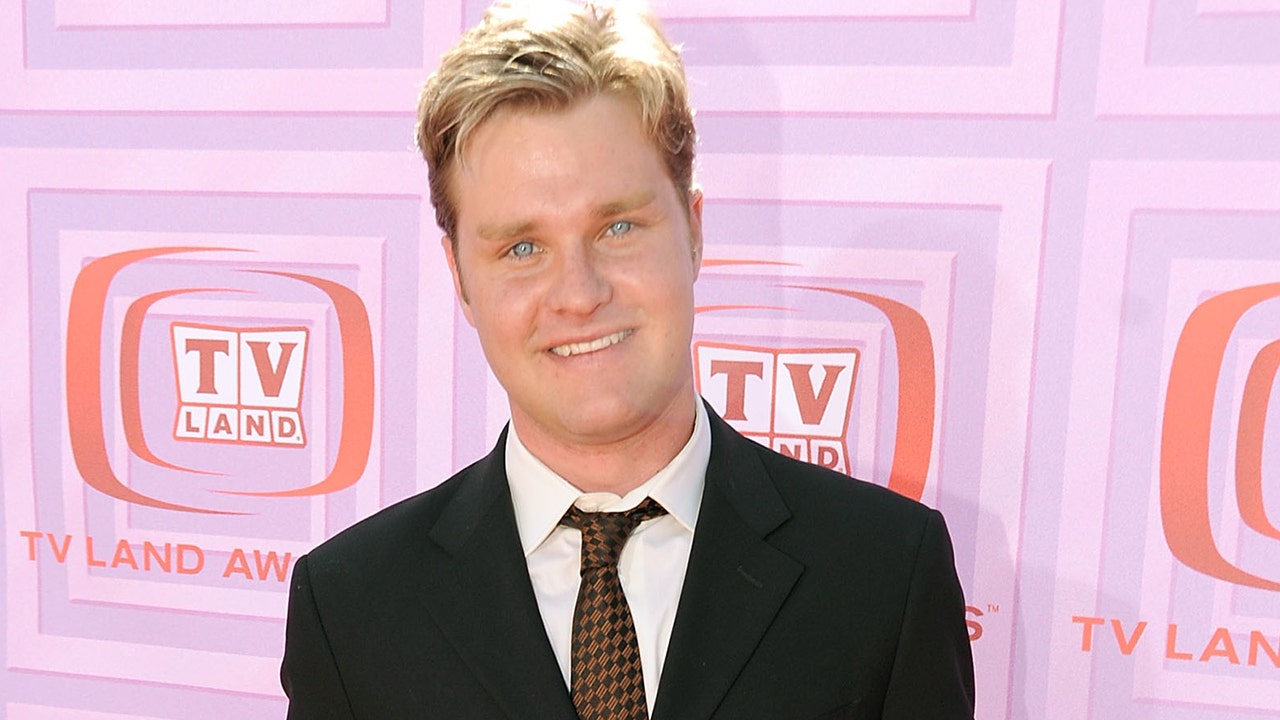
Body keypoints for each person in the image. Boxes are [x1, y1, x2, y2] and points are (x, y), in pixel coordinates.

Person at [279, 2, 976, 718]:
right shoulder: (349, 607)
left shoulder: (886, 575)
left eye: (617, 227)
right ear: (459, 278)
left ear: (694, 233)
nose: (579, 294)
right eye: (522, 248)